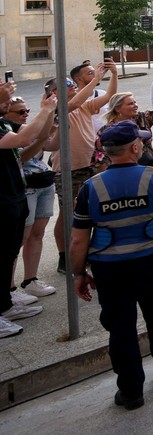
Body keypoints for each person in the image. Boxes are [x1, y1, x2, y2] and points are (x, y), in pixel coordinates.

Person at [69, 120, 153, 408]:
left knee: (121, 328)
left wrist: (79, 272)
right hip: (150, 262)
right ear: (135, 147)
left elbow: (78, 240)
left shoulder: (90, 188)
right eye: (141, 142)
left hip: (109, 269)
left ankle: (131, 392)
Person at [50, 58, 118, 274]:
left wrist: (114, 75)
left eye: (72, 84)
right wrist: (96, 78)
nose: (71, 86)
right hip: (68, 170)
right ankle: (65, 258)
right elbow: (73, 102)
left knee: (88, 212)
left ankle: (84, 252)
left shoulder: (84, 107)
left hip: (89, 167)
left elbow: (108, 96)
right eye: (67, 85)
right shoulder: (57, 109)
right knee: (68, 214)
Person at [0, 85, 58, 337]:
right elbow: (22, 140)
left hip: (13, 195)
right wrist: (44, 110)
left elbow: (35, 137)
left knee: (8, 252)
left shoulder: (3, 123)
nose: (8, 100)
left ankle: (5, 305)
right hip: (2, 198)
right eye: (6, 100)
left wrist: (49, 113)